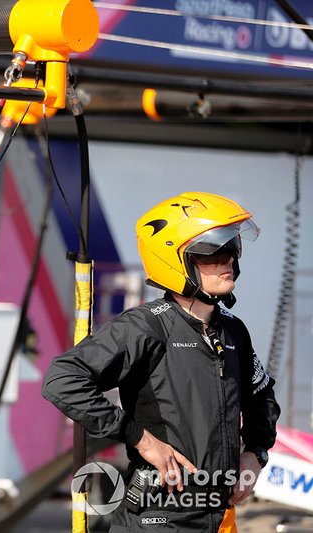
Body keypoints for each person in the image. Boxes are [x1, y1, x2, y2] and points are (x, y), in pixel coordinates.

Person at [42, 191, 281, 531]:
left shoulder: (232, 330)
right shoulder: (145, 326)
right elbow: (62, 380)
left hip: (220, 515)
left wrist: (256, 454)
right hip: (159, 518)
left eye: (233, 249)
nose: (229, 260)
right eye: (214, 252)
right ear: (175, 260)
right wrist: (139, 438)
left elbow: (262, 397)